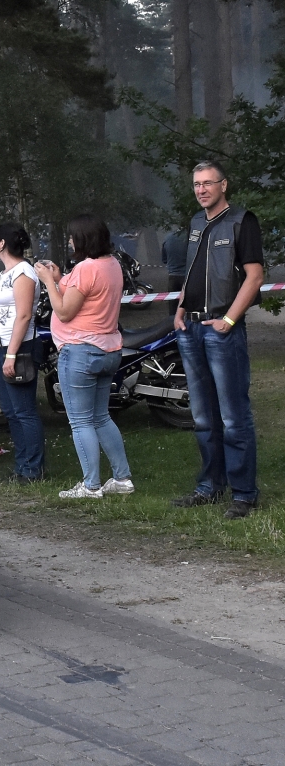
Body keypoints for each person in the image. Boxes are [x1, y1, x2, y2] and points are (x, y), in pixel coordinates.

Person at [171, 161, 264, 519]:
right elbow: (192, 271)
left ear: (223, 185)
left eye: (208, 183)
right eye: (197, 184)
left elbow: (255, 277)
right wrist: (180, 309)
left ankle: (244, 494)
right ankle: (210, 486)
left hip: (221, 331)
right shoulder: (197, 222)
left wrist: (228, 320)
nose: (202, 190)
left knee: (233, 416)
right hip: (191, 330)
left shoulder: (242, 221)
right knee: (203, 417)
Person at [35, 214, 133, 500]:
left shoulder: (85, 268)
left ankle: (91, 485)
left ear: (83, 239)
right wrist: (59, 279)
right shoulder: (112, 264)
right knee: (101, 417)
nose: (69, 240)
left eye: (72, 236)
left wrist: (48, 282)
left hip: (80, 352)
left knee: (81, 422)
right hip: (108, 349)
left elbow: (65, 311)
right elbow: (88, 294)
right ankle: (122, 478)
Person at [0, 222, 45, 483]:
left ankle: (33, 468)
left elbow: (23, 315)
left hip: (18, 348)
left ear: (2, 243)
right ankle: (22, 465)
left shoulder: (23, 273)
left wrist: (11, 354)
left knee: (24, 410)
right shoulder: (5, 273)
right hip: (1, 347)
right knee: (11, 411)